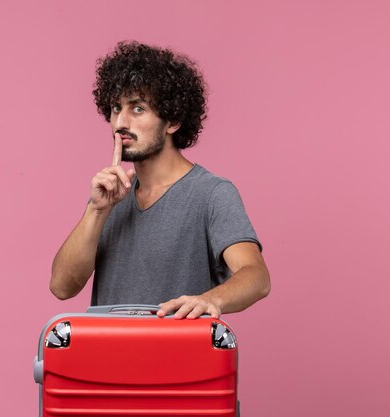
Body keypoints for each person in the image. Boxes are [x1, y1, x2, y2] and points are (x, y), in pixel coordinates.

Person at [49, 41, 270, 319]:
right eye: (116, 108)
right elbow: (62, 286)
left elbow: (257, 276)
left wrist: (210, 299)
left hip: (179, 358)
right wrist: (97, 210)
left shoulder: (212, 193)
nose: (120, 123)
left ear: (173, 121)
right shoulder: (109, 197)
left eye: (137, 108)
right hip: (108, 360)